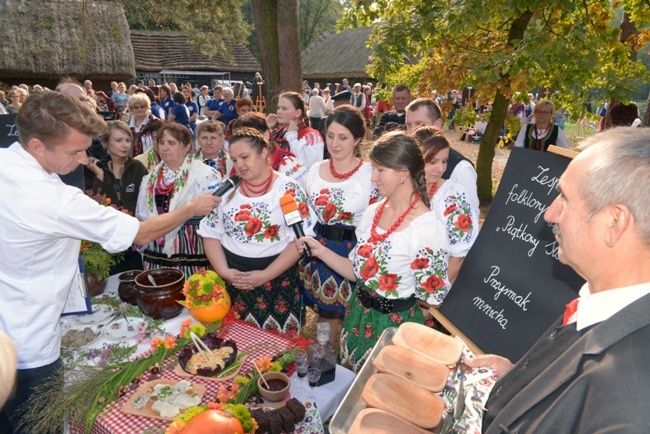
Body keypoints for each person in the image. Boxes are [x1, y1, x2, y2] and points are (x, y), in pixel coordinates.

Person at [0, 92, 220, 433]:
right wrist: (190, 208)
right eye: (75, 151)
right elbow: (141, 232)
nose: (84, 158)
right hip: (29, 347)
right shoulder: (52, 198)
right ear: (37, 146)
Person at [466, 127, 650, 433]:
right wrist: (516, 383)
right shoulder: (602, 302)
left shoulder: (628, 401)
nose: (549, 214)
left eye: (564, 197)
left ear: (614, 223)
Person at [298, 132, 451, 372]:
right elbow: (358, 273)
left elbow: (434, 297)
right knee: (351, 387)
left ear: (403, 173)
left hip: (394, 327)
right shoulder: (373, 213)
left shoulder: (427, 228)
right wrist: (320, 251)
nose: (372, 178)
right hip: (357, 315)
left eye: (380, 170)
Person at [199, 128, 314, 336]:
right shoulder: (226, 191)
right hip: (234, 282)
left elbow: (299, 240)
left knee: (278, 350)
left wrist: (265, 275)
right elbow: (210, 233)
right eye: (234, 159)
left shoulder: (287, 189)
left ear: (263, 152)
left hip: (278, 281)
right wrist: (224, 272)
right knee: (234, 344)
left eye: (245, 157)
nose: (239, 165)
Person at [300, 106, 379, 349]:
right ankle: (325, 358)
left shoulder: (370, 175)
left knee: (355, 316)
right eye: (330, 135)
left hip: (353, 251)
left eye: (343, 137)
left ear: (357, 139)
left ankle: (350, 362)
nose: (334, 143)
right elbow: (303, 209)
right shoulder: (315, 170)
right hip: (318, 250)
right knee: (326, 315)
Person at [136, 123, 222, 278]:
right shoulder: (150, 179)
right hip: (157, 249)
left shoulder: (205, 176)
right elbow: (142, 214)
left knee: (192, 294)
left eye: (171, 143)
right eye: (161, 143)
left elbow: (217, 217)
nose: (164, 148)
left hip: (192, 248)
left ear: (187, 146)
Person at [413, 127, 478, 285]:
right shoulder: (401, 189)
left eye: (444, 161)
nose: (441, 169)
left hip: (435, 290)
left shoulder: (453, 196)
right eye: (432, 162)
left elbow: (458, 256)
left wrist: (432, 296)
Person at [405, 98, 480, 212]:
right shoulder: (405, 160)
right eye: (408, 125)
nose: (412, 131)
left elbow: (470, 215)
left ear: (437, 125)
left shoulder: (461, 169)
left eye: (420, 124)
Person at [85, 120, 148, 215]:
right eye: (118, 140)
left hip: (132, 224)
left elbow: (146, 200)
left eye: (128, 140)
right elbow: (92, 205)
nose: (125, 145)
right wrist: (99, 176)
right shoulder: (92, 168)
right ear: (105, 143)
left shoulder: (137, 167)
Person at [231, 112, 307, 183]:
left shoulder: (287, 165)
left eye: (249, 139)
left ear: (266, 135)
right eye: (238, 139)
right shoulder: (238, 167)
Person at [268, 92, 324, 169]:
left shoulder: (311, 136)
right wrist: (266, 129)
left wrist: (292, 137)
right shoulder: (277, 133)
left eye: (284, 108)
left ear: (298, 113)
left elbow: (306, 165)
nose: (279, 111)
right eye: (278, 108)